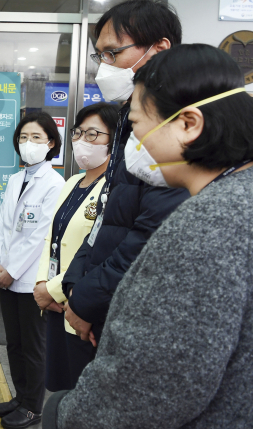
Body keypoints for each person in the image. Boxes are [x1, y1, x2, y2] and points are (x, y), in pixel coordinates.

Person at [43, 43, 253, 429]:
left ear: (189, 124)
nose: (131, 147)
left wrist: (64, 414)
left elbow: (156, 385)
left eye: (136, 128)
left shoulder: (207, 226)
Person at [60, 0, 189, 375]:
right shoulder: (130, 123)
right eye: (99, 55)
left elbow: (150, 234)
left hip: (129, 311)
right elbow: (109, 217)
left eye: (112, 53)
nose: (104, 66)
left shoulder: (173, 132)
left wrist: (86, 299)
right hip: (102, 303)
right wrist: (75, 282)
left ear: (159, 49)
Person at [0, 113, 65, 429]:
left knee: (33, 346)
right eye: (23, 137)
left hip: (31, 278)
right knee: (14, 342)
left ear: (50, 144)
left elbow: (39, 236)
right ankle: (20, 397)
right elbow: (3, 226)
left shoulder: (54, 183)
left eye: (36, 137)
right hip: (6, 276)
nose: (28, 144)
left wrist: (12, 270)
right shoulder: (15, 179)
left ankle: (33, 407)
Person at [34, 103, 119, 392]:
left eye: (93, 134)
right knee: (58, 386)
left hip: (78, 304)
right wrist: (41, 283)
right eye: (78, 132)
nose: (82, 140)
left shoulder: (114, 188)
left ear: (114, 140)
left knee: (79, 389)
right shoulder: (71, 182)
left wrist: (53, 289)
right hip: (54, 305)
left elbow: (96, 249)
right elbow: (52, 238)